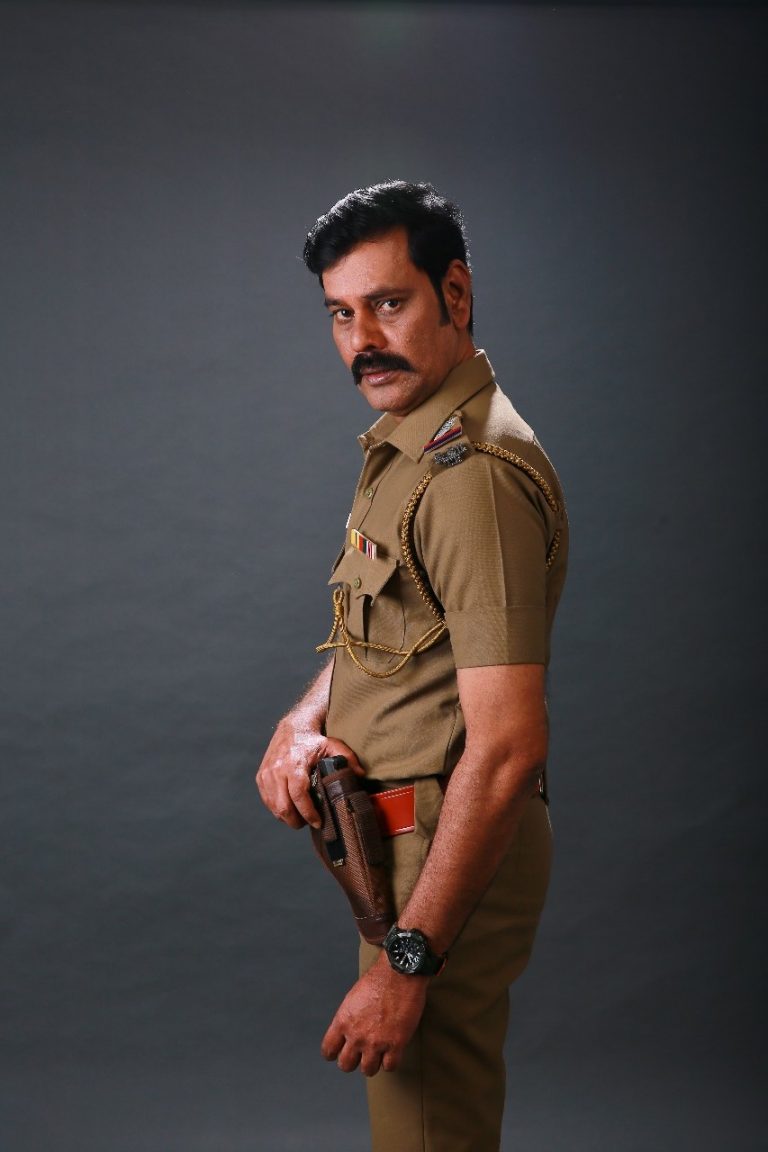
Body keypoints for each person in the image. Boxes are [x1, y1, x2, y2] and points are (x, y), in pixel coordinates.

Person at [256, 181, 568, 1152]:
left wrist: (407, 960)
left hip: (445, 862)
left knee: (428, 1135)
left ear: (455, 294)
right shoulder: (414, 449)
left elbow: (508, 746)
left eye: (388, 303)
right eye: (340, 314)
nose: (362, 340)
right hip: (401, 851)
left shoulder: (470, 481)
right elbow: (398, 634)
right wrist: (304, 718)